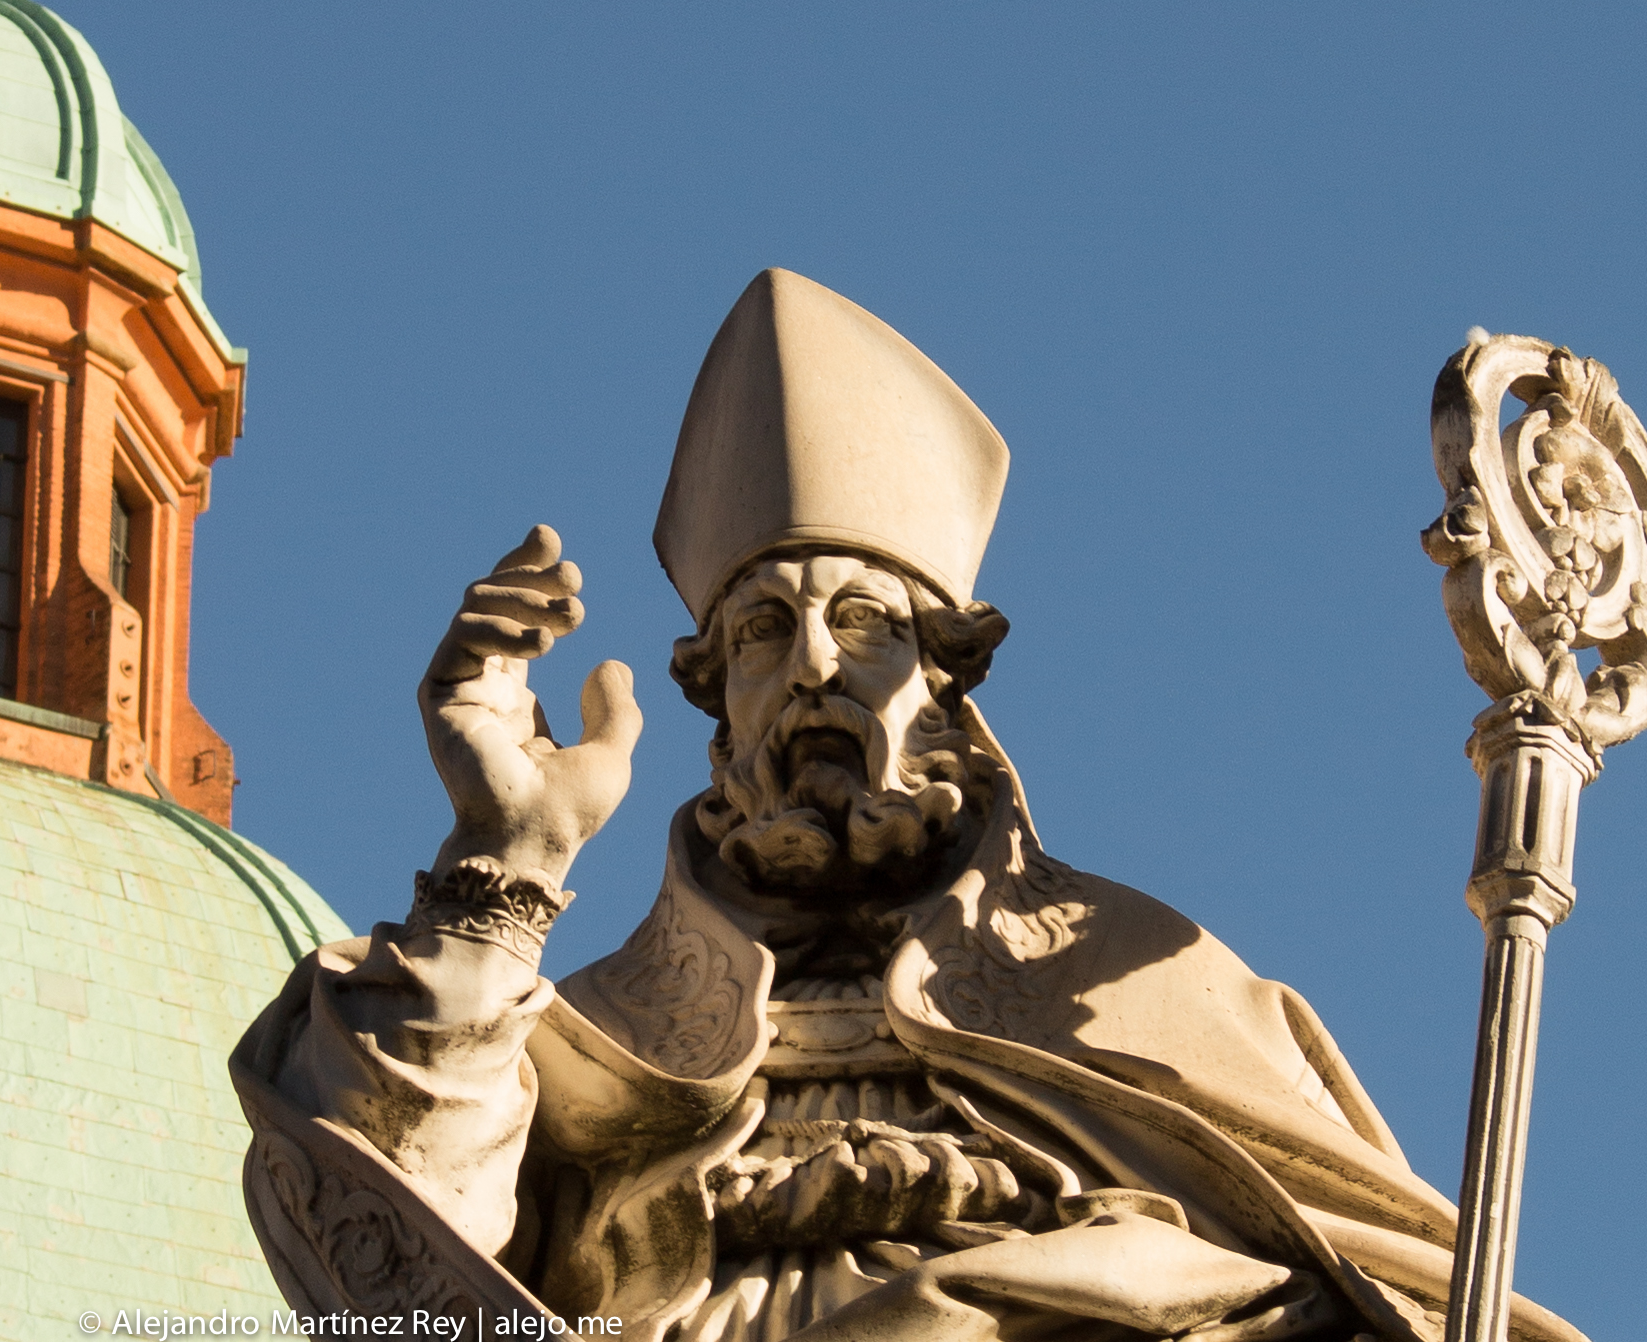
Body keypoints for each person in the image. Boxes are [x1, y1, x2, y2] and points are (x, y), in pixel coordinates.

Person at [232, 270, 1584, 1342]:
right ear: (717, 701)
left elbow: (1370, 1278)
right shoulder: (592, 1036)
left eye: (865, 622)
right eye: (762, 631)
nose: (813, 665)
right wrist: (506, 857)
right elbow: (391, 1256)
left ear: (944, 679)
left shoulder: (1141, 984)